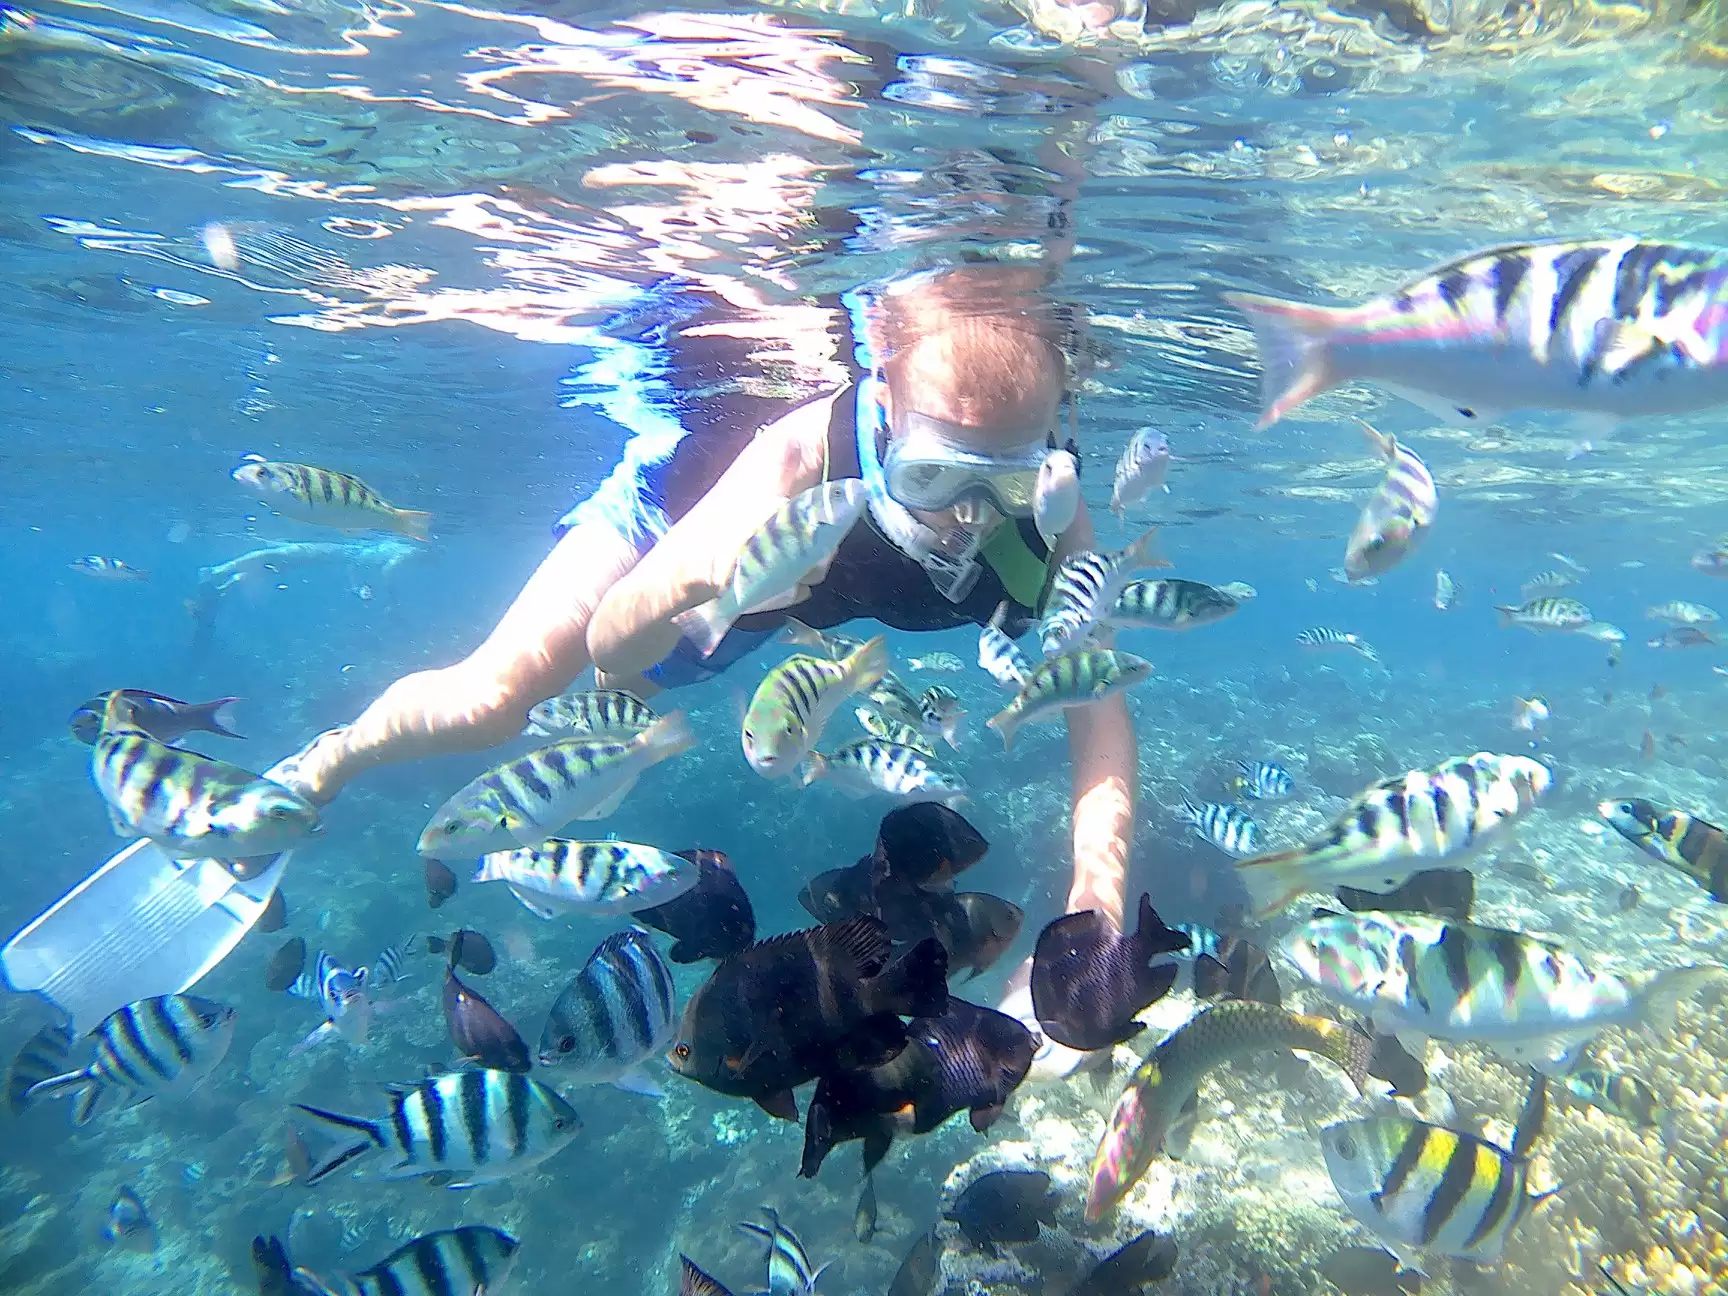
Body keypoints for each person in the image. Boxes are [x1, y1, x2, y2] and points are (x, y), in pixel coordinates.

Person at [271, 262, 1135, 1077]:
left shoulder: (1057, 520)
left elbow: (1096, 704)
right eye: (933, 475)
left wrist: (1093, 909)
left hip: (793, 607)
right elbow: (612, 649)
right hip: (674, 535)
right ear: (882, 405)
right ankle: (329, 759)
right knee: (496, 701)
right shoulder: (796, 461)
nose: (969, 519)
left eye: (1009, 484)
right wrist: (692, 583)